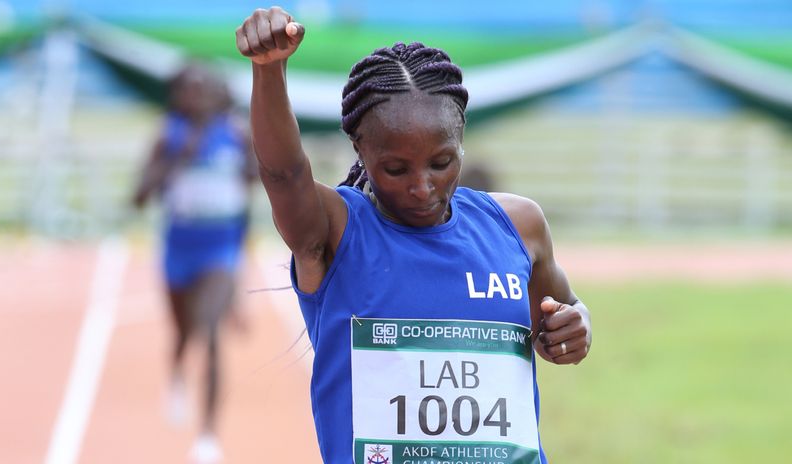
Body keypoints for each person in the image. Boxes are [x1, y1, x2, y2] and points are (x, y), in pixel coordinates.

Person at [235, 7, 592, 464]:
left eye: (441, 163)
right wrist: (269, 70)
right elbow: (283, 173)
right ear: (361, 151)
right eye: (396, 169)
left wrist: (574, 327)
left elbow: (565, 313)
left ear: (461, 140)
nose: (422, 187)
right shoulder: (335, 232)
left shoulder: (518, 227)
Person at [131, 63, 258, 463]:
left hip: (219, 250)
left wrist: (246, 151)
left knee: (210, 330)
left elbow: (256, 182)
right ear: (178, 96)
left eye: (204, 89)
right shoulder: (168, 136)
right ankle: (176, 375)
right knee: (184, 332)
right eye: (189, 90)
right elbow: (139, 197)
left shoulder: (236, 134)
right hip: (178, 251)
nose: (197, 97)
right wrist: (176, 159)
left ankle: (207, 434)